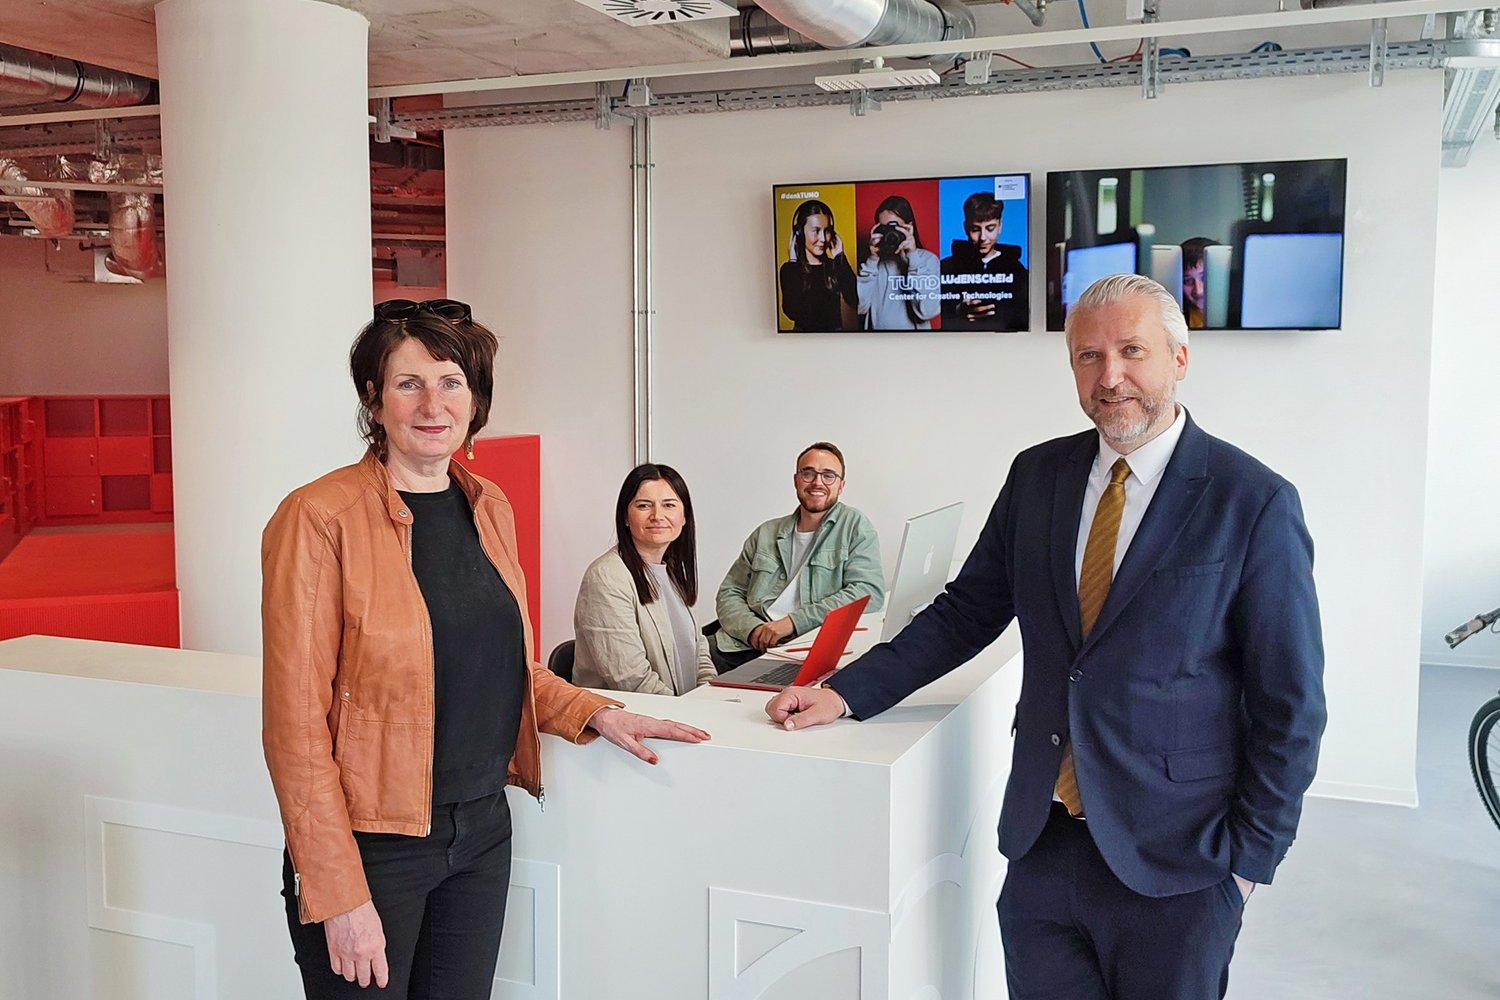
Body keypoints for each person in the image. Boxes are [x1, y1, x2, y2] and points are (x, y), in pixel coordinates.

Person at [768, 274, 1327, 1000]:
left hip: (1179, 862)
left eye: (1132, 351)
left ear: (1179, 359)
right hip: (1044, 844)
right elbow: (967, 611)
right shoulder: (1039, 476)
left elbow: (1291, 705)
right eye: (1088, 357)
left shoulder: (1252, 501)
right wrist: (844, 691)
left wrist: (1249, 867)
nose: (1110, 376)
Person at [261, 299, 710, 999]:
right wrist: (336, 890)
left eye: (452, 382)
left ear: (476, 400)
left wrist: (594, 712)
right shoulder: (318, 518)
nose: (432, 403)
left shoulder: (487, 505)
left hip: (481, 830)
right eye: (409, 383)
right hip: (373, 846)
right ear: (373, 400)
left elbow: (499, 664)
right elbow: (294, 726)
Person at [711, 441, 885, 671]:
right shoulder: (766, 533)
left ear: (841, 485)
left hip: (808, 647)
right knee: (691, 659)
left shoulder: (855, 526)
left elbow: (868, 593)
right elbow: (729, 593)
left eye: (828, 475)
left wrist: (793, 623)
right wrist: (754, 631)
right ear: (796, 480)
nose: (817, 482)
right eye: (808, 473)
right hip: (743, 647)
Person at [573, 463, 717, 695]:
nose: (657, 516)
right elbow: (632, 679)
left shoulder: (673, 571)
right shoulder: (606, 579)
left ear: (684, 517)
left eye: (669, 505)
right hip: (634, 721)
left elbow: (700, 651)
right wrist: (690, 712)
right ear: (626, 517)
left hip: (686, 712)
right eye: (643, 505)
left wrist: (710, 697)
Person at [939, 191, 1029, 331]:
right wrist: (957, 310)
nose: (983, 237)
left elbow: (1023, 315)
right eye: (975, 229)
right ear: (965, 228)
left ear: (1000, 226)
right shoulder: (945, 267)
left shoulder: (1018, 271)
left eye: (990, 228)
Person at [856, 194, 941, 330]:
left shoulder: (928, 260)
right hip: (875, 345)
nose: (890, 234)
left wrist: (912, 256)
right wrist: (872, 259)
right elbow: (860, 307)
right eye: (884, 229)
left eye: (894, 228)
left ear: (909, 227)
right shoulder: (872, 264)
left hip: (914, 346)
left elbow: (928, 311)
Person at [779, 198, 858, 332]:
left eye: (827, 231)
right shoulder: (789, 270)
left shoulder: (836, 266)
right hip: (802, 344)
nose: (822, 239)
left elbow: (855, 300)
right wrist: (793, 263)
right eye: (815, 230)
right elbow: (792, 312)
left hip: (836, 342)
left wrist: (840, 258)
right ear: (799, 234)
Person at [1180, 237, 1218, 330]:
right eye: (1188, 281)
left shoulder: (1239, 317)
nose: (1198, 291)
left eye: (1205, 278)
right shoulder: (1177, 319)